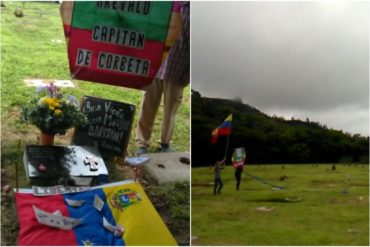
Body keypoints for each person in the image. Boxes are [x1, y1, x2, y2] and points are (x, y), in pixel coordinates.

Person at [135, 2, 190, 155]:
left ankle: (165, 144)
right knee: (148, 104)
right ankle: (142, 142)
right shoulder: (164, 4)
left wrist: (187, 74)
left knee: (170, 110)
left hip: (177, 70)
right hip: (155, 64)